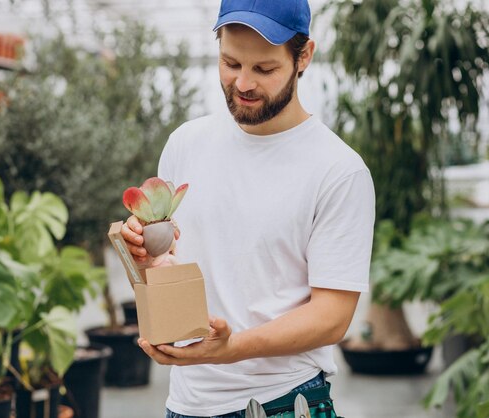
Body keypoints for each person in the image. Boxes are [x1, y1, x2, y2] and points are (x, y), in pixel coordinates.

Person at [121, 0, 375, 416]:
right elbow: (165, 268)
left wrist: (231, 349)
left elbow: (332, 316)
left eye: (264, 69)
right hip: (185, 404)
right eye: (230, 62)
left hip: (283, 402)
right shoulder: (186, 143)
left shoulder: (338, 170)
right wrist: (143, 255)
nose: (242, 83)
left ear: (303, 57)